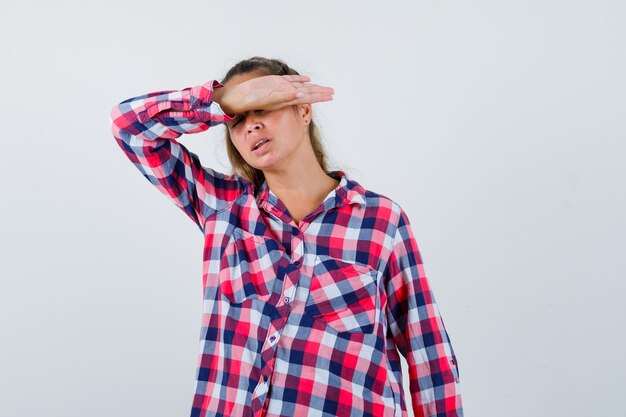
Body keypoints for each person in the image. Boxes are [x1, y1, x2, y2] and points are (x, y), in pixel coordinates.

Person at [110, 56, 464, 417]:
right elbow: (129, 127)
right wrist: (222, 100)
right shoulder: (221, 207)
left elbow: (428, 353)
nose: (251, 125)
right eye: (238, 118)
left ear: (304, 109)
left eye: (263, 107)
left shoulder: (379, 220)